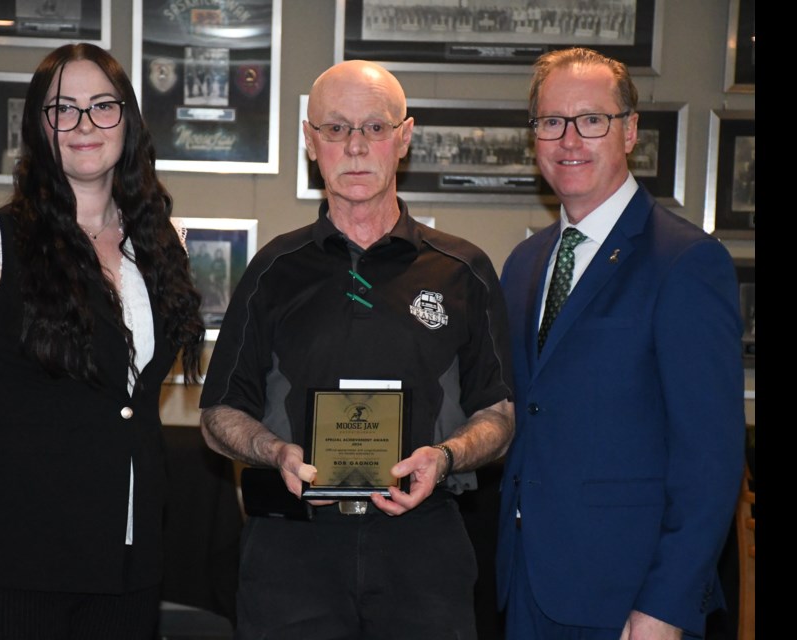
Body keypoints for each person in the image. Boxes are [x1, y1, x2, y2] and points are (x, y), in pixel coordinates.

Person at [199, 59, 515, 639]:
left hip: (424, 548)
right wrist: (275, 452)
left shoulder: (463, 269)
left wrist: (443, 457)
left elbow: (498, 414)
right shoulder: (272, 269)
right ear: (309, 141)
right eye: (335, 128)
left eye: (374, 127)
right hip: (292, 548)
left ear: (405, 136)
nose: (355, 147)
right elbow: (218, 416)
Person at [0, 43, 204, 639]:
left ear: (128, 120)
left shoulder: (165, 244)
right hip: (5, 566)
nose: (84, 125)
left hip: (128, 566)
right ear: (39, 127)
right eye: (63, 109)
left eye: (102, 106)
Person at [495, 47, 744, 640]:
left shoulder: (686, 262)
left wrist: (668, 605)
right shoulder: (525, 264)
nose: (569, 139)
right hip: (527, 586)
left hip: (630, 602)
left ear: (630, 131)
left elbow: (709, 458)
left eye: (592, 120)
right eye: (552, 121)